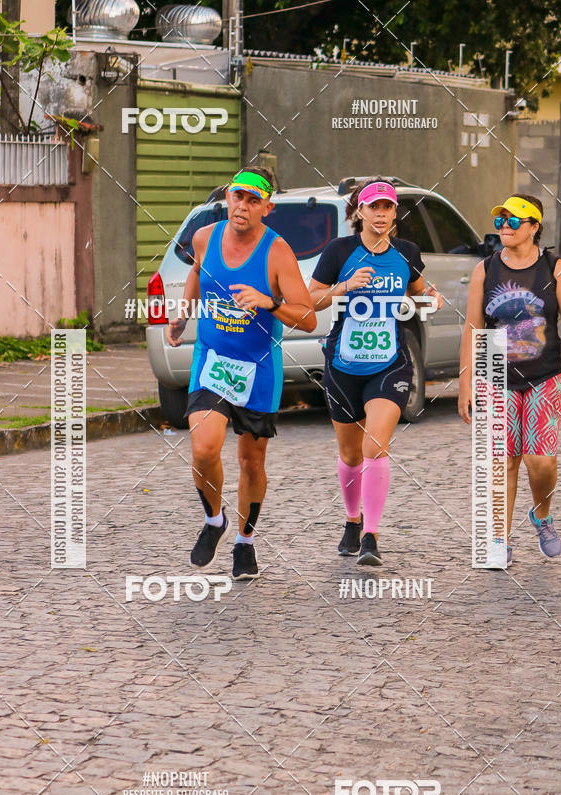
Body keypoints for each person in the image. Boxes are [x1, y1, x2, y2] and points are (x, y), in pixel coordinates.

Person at [165, 167, 316, 580]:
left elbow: (307, 318)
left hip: (258, 369)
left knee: (251, 462)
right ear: (226, 199)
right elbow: (197, 271)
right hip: (212, 361)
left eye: (253, 200)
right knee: (203, 449)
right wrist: (184, 315)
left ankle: (245, 544)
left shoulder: (277, 253)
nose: (243, 206)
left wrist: (268, 302)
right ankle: (215, 520)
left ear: (267, 208)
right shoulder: (204, 237)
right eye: (237, 196)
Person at [308, 178, 443, 566]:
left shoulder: (406, 252)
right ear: (359, 212)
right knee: (350, 455)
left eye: (388, 207)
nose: (381, 214)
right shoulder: (340, 251)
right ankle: (353, 521)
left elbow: (420, 289)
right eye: (374, 207)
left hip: (390, 362)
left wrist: (430, 297)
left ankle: (371, 536)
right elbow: (311, 300)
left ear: (394, 212)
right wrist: (345, 286)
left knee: (375, 447)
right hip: (343, 363)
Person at [458, 194, 561, 564]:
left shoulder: (554, 268)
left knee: (539, 462)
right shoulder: (486, 270)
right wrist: (466, 382)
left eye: (514, 221)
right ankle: (499, 540)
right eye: (500, 221)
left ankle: (541, 515)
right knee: (502, 460)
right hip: (495, 368)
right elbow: (473, 327)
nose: (505, 227)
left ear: (535, 227)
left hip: (544, 373)